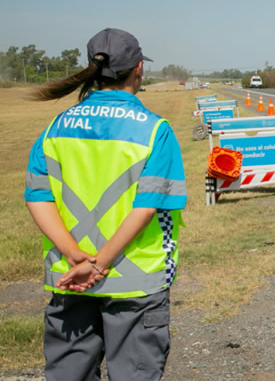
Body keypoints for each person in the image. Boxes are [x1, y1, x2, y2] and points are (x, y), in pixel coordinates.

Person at [24, 28, 187, 380]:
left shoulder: (54, 128)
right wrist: (100, 263)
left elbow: (38, 197)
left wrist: (74, 256)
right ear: (138, 69)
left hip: (69, 278)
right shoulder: (155, 130)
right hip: (136, 282)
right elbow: (146, 208)